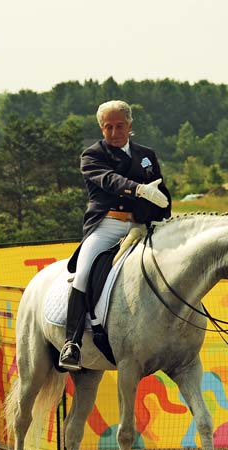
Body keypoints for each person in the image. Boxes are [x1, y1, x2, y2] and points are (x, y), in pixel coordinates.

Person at [59, 100, 172, 371]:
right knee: (84, 272)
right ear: (101, 128)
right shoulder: (92, 155)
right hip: (107, 225)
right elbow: (109, 180)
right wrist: (139, 190)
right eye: (108, 127)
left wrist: (160, 209)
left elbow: (160, 190)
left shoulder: (146, 154)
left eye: (119, 125)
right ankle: (71, 342)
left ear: (130, 126)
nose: (114, 131)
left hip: (141, 226)